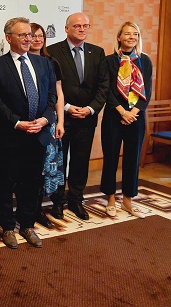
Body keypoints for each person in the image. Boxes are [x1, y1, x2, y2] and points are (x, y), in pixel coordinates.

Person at [0, 18, 57, 249]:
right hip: (12, 135)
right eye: (23, 35)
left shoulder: (43, 64)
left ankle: (27, 225)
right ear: (8, 38)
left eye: (30, 34)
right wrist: (17, 123)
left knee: (33, 182)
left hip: (38, 133)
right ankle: (8, 227)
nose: (29, 38)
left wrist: (45, 119)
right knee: (7, 183)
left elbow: (52, 97)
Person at [47, 12, 108, 220]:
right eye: (77, 26)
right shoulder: (53, 51)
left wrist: (91, 109)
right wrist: (65, 107)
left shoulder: (97, 52)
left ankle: (76, 201)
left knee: (81, 162)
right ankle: (57, 202)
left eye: (85, 26)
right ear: (66, 29)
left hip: (87, 118)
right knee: (59, 162)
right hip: (62, 118)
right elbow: (50, 86)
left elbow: (103, 86)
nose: (82, 29)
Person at [101, 22, 152, 218]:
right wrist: (123, 112)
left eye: (135, 34)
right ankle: (110, 199)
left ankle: (128, 200)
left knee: (132, 159)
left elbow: (147, 91)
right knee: (111, 158)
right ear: (119, 37)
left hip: (136, 117)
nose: (132, 37)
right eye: (127, 34)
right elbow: (106, 91)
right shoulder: (108, 61)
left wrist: (133, 113)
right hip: (114, 115)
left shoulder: (144, 61)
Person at [29, 23, 65, 228]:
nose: (37, 39)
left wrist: (60, 121)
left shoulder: (52, 62)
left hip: (49, 123)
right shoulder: (20, 61)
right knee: (29, 169)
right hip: (28, 123)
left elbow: (59, 93)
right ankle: (28, 209)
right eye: (33, 35)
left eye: (40, 36)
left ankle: (39, 209)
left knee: (46, 169)